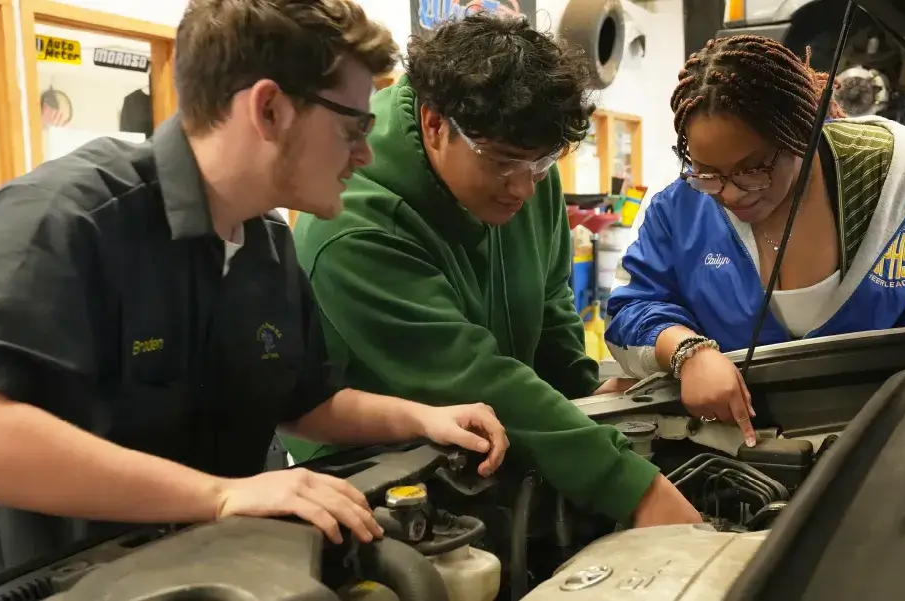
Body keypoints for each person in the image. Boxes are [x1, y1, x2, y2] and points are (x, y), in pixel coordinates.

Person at [0, 0, 508, 586]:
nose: (364, 154)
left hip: (219, 575)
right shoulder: (69, 217)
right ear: (269, 109)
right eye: (353, 128)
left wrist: (424, 418)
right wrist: (218, 496)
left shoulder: (267, 244)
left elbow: (306, 403)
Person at [286, 13, 701, 528]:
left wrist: (578, 394)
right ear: (436, 125)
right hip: (368, 482)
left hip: (501, 436)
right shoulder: (354, 227)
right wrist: (636, 492)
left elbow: (551, 309)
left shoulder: (524, 163)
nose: (524, 189)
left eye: (543, 164)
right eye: (503, 163)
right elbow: (470, 375)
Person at [604, 36, 905, 435]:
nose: (729, 193)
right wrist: (687, 353)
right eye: (708, 173)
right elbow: (632, 307)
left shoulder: (897, 175)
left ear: (802, 134)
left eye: (754, 169)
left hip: (899, 438)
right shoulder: (679, 206)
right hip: (741, 447)